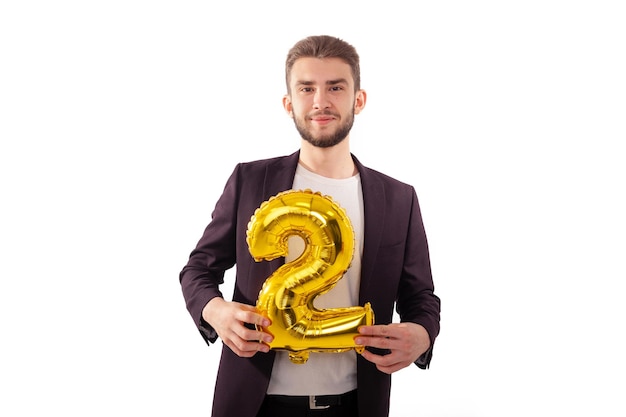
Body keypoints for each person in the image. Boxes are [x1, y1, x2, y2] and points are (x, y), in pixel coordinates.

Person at [179, 35, 441, 417]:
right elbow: (197, 270)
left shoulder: (399, 198)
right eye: (307, 88)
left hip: (356, 404)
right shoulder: (250, 181)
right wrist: (215, 311)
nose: (321, 101)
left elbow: (422, 298)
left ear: (358, 100)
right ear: (289, 103)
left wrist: (422, 334)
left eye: (336, 87)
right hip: (255, 404)